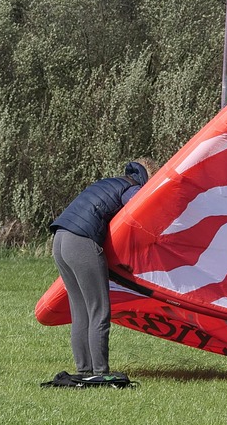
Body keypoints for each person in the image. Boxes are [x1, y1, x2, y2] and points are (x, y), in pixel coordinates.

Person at [48, 159, 154, 378]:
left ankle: (84, 370)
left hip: (60, 240)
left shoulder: (111, 182)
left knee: (81, 312)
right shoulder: (131, 188)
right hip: (81, 242)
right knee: (99, 311)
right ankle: (100, 372)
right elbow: (139, 207)